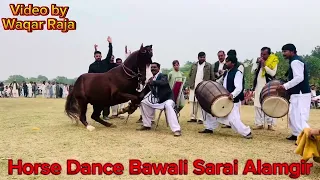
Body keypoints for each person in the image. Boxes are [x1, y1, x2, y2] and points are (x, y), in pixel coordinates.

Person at [199, 55, 252, 139]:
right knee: (210, 110)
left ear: (233, 63)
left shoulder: (237, 73)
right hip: (225, 99)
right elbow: (220, 83)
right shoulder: (227, 72)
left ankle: (247, 132)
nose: (226, 63)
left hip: (232, 101)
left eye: (228, 61)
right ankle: (209, 127)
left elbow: (239, 87)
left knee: (233, 120)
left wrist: (232, 94)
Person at [137, 62, 181, 136]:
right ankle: (147, 125)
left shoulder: (163, 75)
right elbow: (145, 91)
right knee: (143, 102)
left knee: (168, 106)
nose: (153, 69)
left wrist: (153, 82)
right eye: (151, 67)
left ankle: (176, 129)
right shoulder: (151, 78)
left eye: (155, 67)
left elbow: (163, 82)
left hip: (168, 99)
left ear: (159, 68)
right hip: (158, 100)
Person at [277, 43, 311, 141]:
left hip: (301, 93)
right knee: (293, 115)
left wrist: (285, 86)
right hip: (297, 93)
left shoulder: (295, 61)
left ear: (292, 51)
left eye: (285, 51)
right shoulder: (294, 60)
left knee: (300, 117)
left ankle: (307, 138)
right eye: (283, 51)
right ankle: (296, 134)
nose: (283, 53)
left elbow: (299, 78)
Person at [88, 36, 116, 120]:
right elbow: (89, 76)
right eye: (97, 56)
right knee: (96, 101)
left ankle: (105, 115)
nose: (98, 57)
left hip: (106, 85)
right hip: (96, 86)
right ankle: (96, 115)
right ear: (94, 57)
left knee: (106, 101)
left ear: (101, 56)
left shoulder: (105, 62)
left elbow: (110, 53)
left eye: (99, 56)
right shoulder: (92, 66)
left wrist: (110, 43)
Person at [251, 47, 279, 130]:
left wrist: (265, 66)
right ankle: (259, 124)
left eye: (264, 54)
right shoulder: (258, 61)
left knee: (269, 104)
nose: (262, 56)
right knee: (257, 105)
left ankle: (270, 124)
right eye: (261, 54)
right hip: (258, 86)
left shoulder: (273, 61)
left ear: (269, 54)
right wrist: (257, 63)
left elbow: (273, 73)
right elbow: (253, 71)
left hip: (268, 86)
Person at [188, 52, 215, 124]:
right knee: (192, 102)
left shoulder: (209, 66)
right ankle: (193, 117)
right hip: (194, 86)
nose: (202, 58)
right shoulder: (194, 65)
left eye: (204, 57)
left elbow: (212, 77)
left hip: (204, 86)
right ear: (198, 57)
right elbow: (190, 75)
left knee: (201, 102)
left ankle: (201, 118)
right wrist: (190, 83)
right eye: (201, 57)